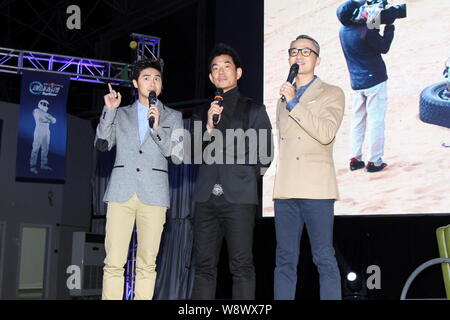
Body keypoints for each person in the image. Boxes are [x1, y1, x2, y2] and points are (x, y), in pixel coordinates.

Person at [95, 58, 183, 300]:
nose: (152, 82)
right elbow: (102, 143)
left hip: (154, 195)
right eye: (146, 78)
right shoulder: (120, 114)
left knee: (147, 264)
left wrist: (156, 130)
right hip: (121, 192)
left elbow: (176, 156)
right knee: (113, 262)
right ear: (135, 83)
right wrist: (109, 111)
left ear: (161, 85)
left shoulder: (172, 117)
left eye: (157, 78)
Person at [190, 43, 273, 300]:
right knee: (203, 268)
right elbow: (192, 153)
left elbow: (265, 155)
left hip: (239, 198)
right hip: (205, 198)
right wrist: (208, 128)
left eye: (227, 66)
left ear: (238, 72)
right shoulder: (202, 113)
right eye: (215, 68)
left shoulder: (254, 109)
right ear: (211, 77)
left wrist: (243, 176)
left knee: (241, 267)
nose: (221, 71)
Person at [273, 35, 344, 300]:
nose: (299, 56)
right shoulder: (282, 98)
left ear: (317, 59)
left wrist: (295, 103)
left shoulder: (331, 92)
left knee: (324, 258)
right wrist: (289, 100)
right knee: (284, 262)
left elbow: (326, 132)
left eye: (306, 51)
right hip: (286, 190)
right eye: (294, 51)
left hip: (316, 189)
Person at [337, 0, 396, 172]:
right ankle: (374, 161)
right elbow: (383, 47)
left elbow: (369, 34)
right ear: (355, 15)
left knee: (358, 121)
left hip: (357, 83)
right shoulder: (365, 31)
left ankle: (355, 158)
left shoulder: (343, 31)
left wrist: (374, 20)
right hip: (374, 81)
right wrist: (390, 25)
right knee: (376, 120)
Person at [30, 99, 56, 174]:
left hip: (46, 132)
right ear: (40, 104)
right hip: (39, 131)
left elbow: (54, 120)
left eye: (47, 105)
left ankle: (43, 164)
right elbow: (41, 118)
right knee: (35, 148)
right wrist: (48, 119)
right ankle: (32, 166)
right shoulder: (36, 110)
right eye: (44, 104)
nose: (46, 106)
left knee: (45, 148)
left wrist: (47, 119)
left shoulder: (46, 113)